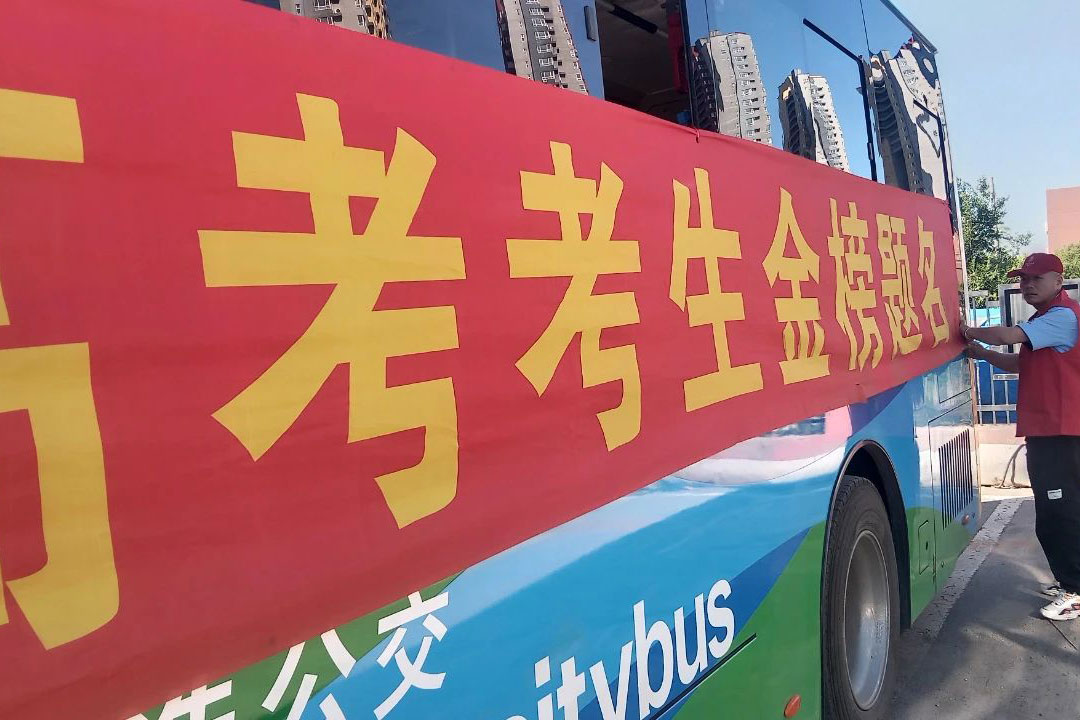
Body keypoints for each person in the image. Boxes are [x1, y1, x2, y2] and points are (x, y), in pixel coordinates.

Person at [962, 252, 1080, 621]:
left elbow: (1008, 336)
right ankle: (1070, 582)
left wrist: (967, 330)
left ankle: (1075, 591)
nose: (1027, 285)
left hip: (1061, 434)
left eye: (1036, 278)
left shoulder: (1062, 317)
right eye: (1023, 279)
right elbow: (1019, 362)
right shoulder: (1046, 320)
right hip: (1051, 433)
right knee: (1058, 512)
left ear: (1058, 281)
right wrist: (981, 353)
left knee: (1059, 514)